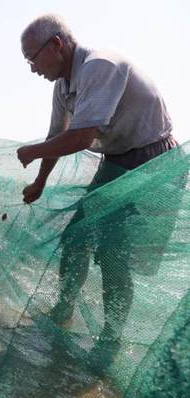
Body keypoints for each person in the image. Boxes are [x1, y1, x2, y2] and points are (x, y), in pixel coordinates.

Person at [17, 14, 178, 366]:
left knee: (113, 251)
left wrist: (31, 153)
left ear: (56, 45)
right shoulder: (62, 86)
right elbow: (55, 137)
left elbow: (80, 138)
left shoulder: (99, 66)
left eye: (32, 58)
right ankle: (64, 307)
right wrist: (40, 183)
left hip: (151, 162)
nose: (32, 69)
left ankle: (111, 338)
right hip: (117, 161)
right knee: (76, 235)